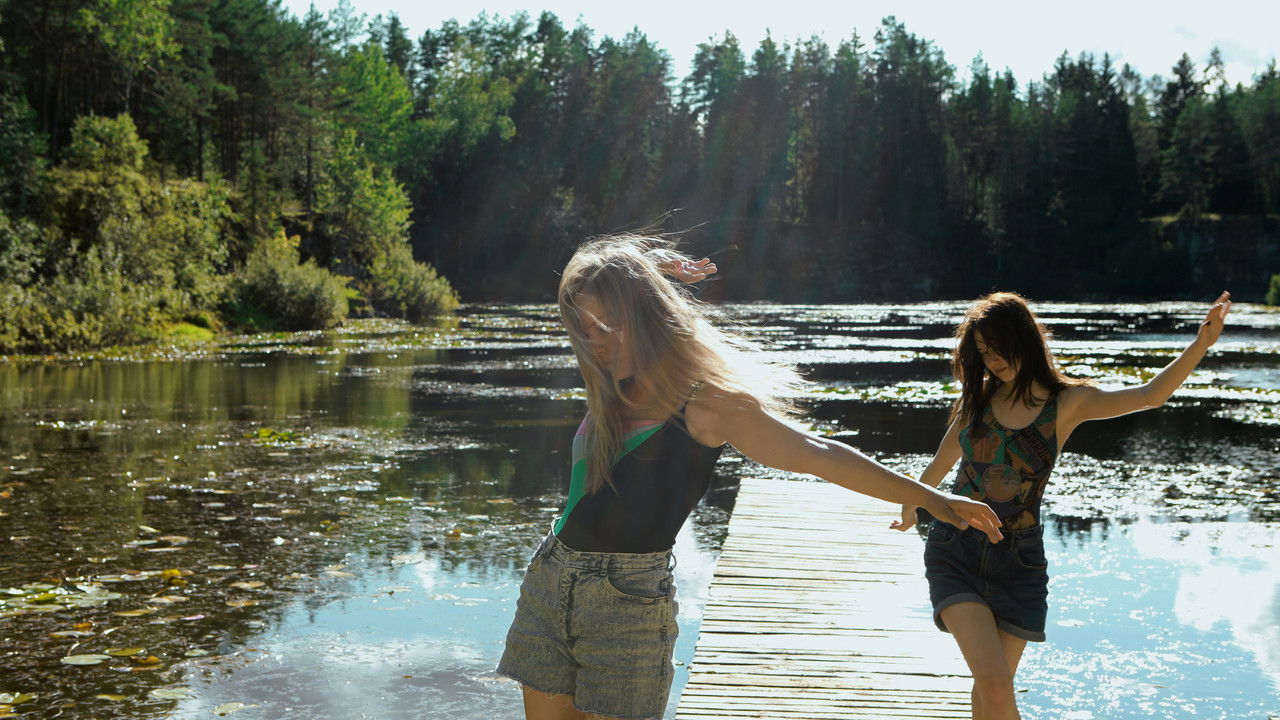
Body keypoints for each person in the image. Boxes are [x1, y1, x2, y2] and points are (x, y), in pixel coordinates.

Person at [497, 234, 1005, 720]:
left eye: (606, 326)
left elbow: (820, 454)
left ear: (642, 313)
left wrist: (930, 497)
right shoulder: (610, 384)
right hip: (549, 580)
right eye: (585, 329)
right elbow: (584, 278)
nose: (594, 343)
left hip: (625, 601)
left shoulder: (709, 405)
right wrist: (652, 267)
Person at [891, 291, 1232, 720]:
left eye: (998, 347)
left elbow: (1151, 395)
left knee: (989, 692)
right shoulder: (978, 399)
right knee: (994, 683)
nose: (993, 360)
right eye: (983, 352)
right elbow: (941, 464)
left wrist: (1201, 344)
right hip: (956, 549)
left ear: (1023, 338)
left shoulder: (1068, 402)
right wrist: (911, 506)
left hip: (1020, 562)